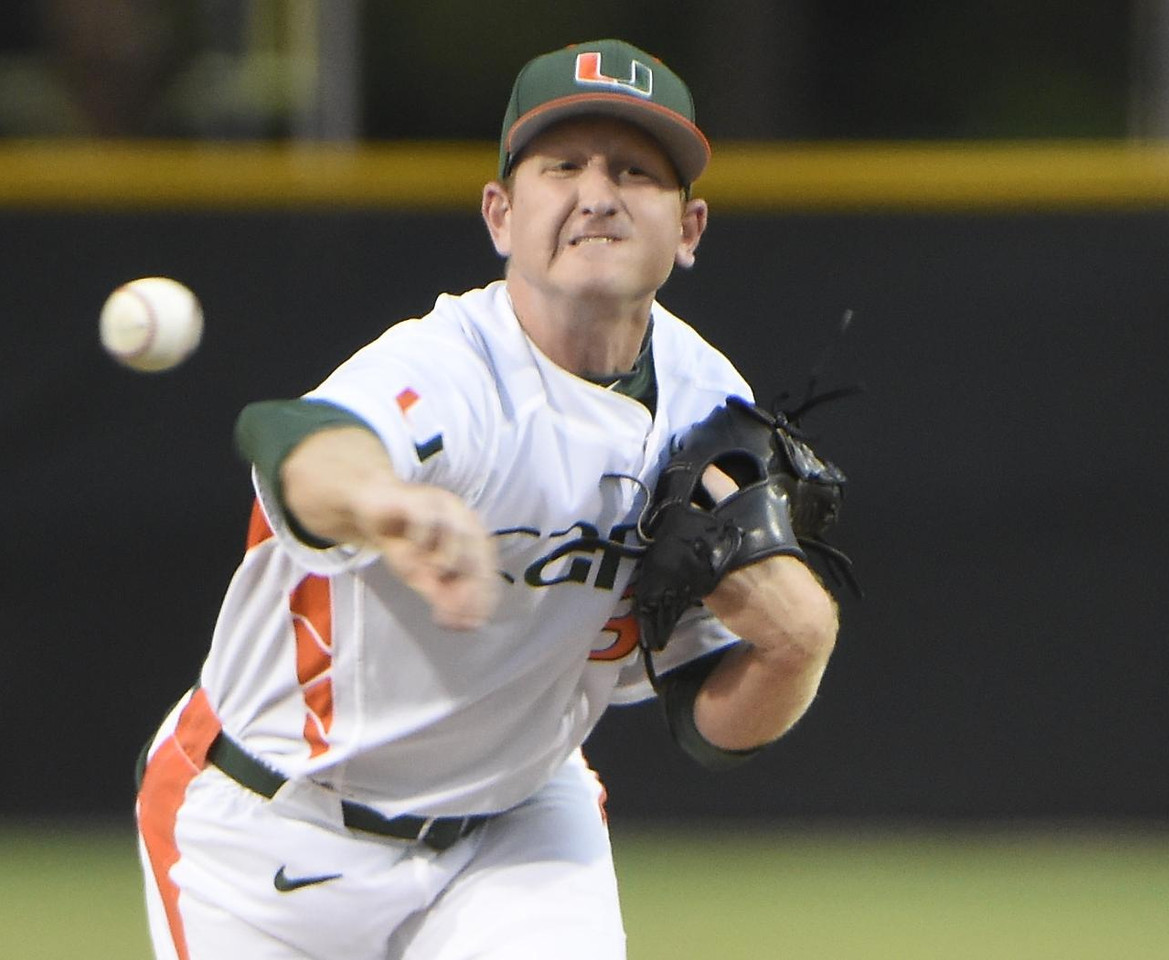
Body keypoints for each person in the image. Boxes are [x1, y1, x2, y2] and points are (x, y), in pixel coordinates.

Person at [134, 38, 841, 960]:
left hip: (515, 827)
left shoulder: (709, 404)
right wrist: (392, 509)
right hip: (267, 824)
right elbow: (299, 449)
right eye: (563, 167)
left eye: (636, 171)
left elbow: (707, 722)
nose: (598, 193)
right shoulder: (449, 370)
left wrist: (797, 649)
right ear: (501, 216)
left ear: (691, 226)